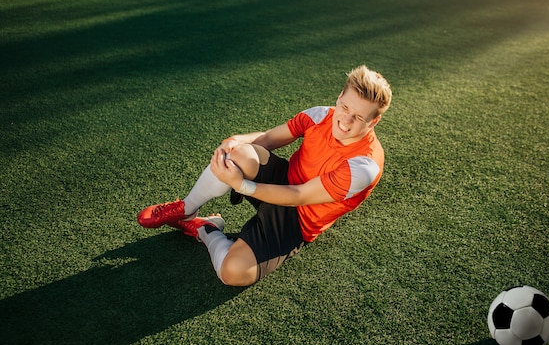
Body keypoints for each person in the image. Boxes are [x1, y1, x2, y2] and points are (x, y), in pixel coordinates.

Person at [137, 65, 392, 286]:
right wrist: (236, 141)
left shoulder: (363, 167)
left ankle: (206, 229)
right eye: (344, 106)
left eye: (358, 117)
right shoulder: (321, 115)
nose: (345, 121)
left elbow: (299, 196)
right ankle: (186, 208)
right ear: (339, 97)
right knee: (238, 153)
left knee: (232, 273)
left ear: (374, 121)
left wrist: (242, 185)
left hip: (298, 221)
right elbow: (268, 139)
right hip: (283, 179)